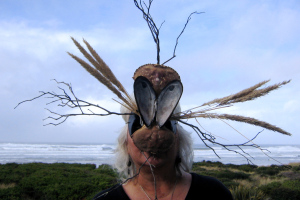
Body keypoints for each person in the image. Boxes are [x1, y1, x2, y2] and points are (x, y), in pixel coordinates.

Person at [93, 104, 233, 200]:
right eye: (140, 125)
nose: (154, 137)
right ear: (125, 143)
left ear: (179, 140)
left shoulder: (214, 193)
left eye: (165, 124)